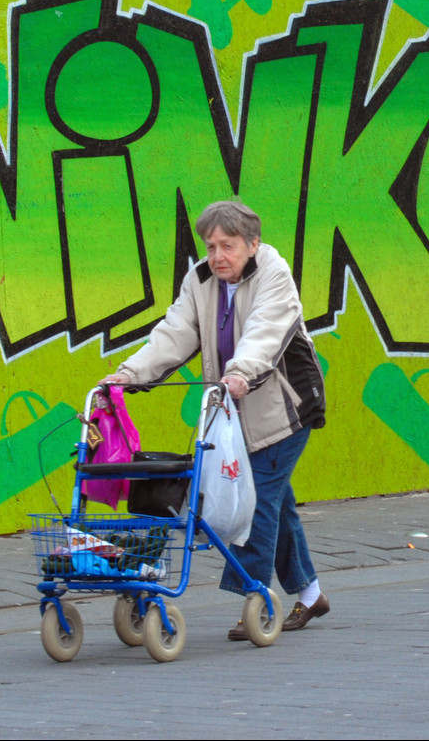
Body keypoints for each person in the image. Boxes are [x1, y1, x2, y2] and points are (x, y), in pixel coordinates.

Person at [100, 200, 330, 638]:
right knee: (276, 503)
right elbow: (175, 332)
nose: (219, 256)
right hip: (233, 409)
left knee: (257, 499)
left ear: (253, 244)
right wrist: (130, 374)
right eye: (212, 246)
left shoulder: (274, 275)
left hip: (284, 408)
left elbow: (264, 332)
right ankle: (310, 594)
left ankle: (256, 595)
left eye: (229, 245)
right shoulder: (201, 279)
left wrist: (240, 373)